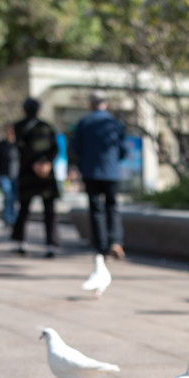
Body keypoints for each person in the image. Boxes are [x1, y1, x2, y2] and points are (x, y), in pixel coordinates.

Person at [71, 89, 127, 261]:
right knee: (112, 207)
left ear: (91, 105)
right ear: (106, 103)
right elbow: (123, 149)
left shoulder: (84, 123)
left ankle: (101, 247)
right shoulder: (115, 123)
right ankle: (116, 242)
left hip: (91, 171)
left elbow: (75, 148)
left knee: (96, 209)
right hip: (111, 172)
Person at [11, 97, 59, 258]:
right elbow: (55, 149)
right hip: (46, 174)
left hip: (27, 173)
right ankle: (50, 245)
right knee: (49, 211)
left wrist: (34, 165)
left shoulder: (18, 127)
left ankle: (21, 243)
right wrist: (46, 164)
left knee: (24, 209)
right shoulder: (47, 126)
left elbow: (19, 147)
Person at [0, 123, 19, 226]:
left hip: (16, 175)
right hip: (4, 174)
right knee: (7, 196)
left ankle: (14, 217)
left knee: (15, 197)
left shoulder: (18, 144)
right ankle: (7, 218)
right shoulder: (1, 145)